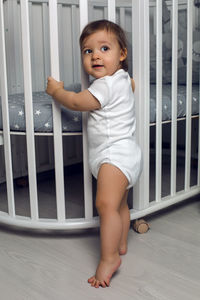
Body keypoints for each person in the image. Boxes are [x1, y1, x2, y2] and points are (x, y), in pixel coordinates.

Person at [46, 19, 142, 288]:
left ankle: (109, 258)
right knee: (120, 205)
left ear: (122, 55)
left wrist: (57, 92)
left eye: (104, 48)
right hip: (127, 154)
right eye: (88, 51)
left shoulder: (104, 85)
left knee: (105, 206)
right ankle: (121, 243)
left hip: (114, 155)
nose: (95, 55)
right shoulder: (124, 79)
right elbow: (131, 88)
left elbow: (77, 102)